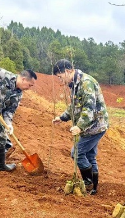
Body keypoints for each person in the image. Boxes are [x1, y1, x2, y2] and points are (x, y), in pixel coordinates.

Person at [52, 59, 109, 195]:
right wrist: (62, 117)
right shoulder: (75, 85)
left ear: (68, 71)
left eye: (60, 77)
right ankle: (93, 188)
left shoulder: (86, 83)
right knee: (89, 155)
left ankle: (88, 183)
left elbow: (89, 109)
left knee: (76, 153)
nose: (60, 80)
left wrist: (79, 126)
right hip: (90, 126)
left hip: (95, 126)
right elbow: (74, 106)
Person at [0, 63, 37, 181]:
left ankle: (0, 165)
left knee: (1, 139)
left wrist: (8, 124)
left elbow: (9, 111)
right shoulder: (3, 75)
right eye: (30, 85)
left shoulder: (18, 94)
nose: (29, 88)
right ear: (24, 79)